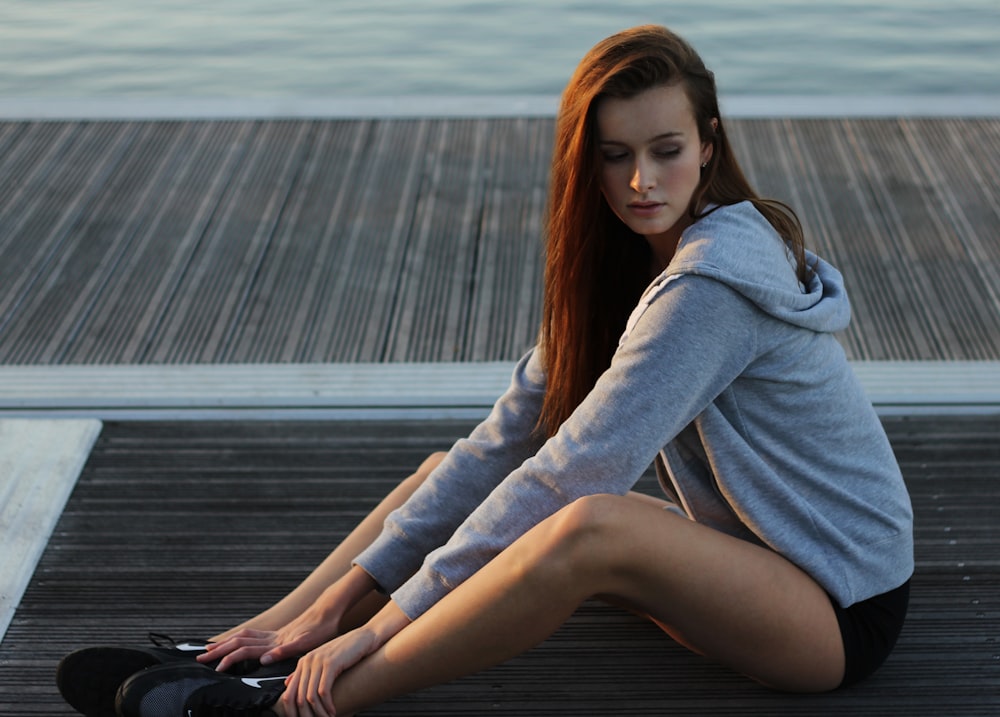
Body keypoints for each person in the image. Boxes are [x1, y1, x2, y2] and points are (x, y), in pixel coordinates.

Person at [57, 24, 914, 717]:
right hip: (747, 559)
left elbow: (580, 467)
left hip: (834, 608)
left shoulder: (711, 285)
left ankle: (299, 700)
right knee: (449, 476)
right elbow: (505, 443)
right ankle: (260, 641)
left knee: (592, 523)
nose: (642, 181)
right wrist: (322, 610)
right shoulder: (623, 270)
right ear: (587, 157)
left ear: (709, 143)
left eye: (666, 149)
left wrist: (382, 624)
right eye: (615, 155)